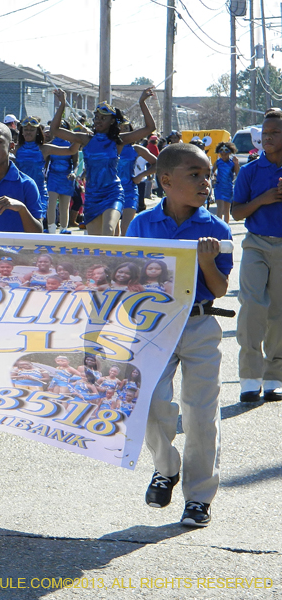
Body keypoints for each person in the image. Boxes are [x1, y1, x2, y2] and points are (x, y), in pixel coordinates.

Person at [126, 142, 232, 527]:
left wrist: (206, 260)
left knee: (201, 412)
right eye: (195, 175)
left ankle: (199, 496)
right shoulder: (142, 224)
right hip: (155, 324)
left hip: (200, 324)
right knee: (150, 404)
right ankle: (166, 467)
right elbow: (129, 274)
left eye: (208, 175)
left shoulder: (215, 229)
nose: (205, 182)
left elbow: (219, 289)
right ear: (166, 181)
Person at [50, 88, 156, 236]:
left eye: (103, 118)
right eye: (97, 117)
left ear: (112, 121)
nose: (98, 120)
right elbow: (55, 130)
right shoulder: (85, 139)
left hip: (112, 192)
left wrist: (142, 102)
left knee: (109, 230)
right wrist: (62, 104)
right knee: (96, 240)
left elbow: (150, 127)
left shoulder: (118, 141)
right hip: (92, 194)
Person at [231, 108, 282, 404]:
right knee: (252, 306)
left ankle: (274, 377)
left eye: (274, 133)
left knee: (278, 312)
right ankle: (249, 379)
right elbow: (236, 212)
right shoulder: (251, 171)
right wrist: (262, 200)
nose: (268, 138)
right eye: (265, 134)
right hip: (256, 244)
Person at [14, 116, 79, 230]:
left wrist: (79, 138)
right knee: (19, 225)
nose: (28, 132)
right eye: (26, 130)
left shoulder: (44, 149)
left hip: (38, 192)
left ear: (37, 132)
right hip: (19, 190)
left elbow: (71, 151)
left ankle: (57, 231)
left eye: (32, 130)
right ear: (22, 132)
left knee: (36, 225)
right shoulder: (15, 148)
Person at [117, 122, 156, 234]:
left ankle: (126, 251)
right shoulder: (108, 148)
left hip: (129, 190)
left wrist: (141, 176)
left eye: (126, 128)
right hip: (112, 191)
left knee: (126, 228)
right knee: (113, 230)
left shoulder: (136, 149)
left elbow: (157, 163)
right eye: (120, 128)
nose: (123, 130)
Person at [46, 119, 78, 234]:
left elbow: (76, 162)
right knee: (51, 203)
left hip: (66, 177)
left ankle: (64, 228)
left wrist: (74, 172)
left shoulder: (71, 144)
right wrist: (44, 174)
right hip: (53, 175)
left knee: (64, 206)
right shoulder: (50, 144)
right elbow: (46, 161)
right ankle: (51, 228)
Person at [212, 141, 239, 224]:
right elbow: (211, 172)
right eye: (221, 154)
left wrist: (236, 164)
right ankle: (219, 227)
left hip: (228, 187)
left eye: (225, 154)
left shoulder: (232, 163)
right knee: (220, 208)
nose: (223, 156)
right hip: (219, 187)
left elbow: (238, 174)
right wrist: (214, 177)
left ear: (229, 153)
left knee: (227, 210)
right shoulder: (218, 162)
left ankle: (226, 227)